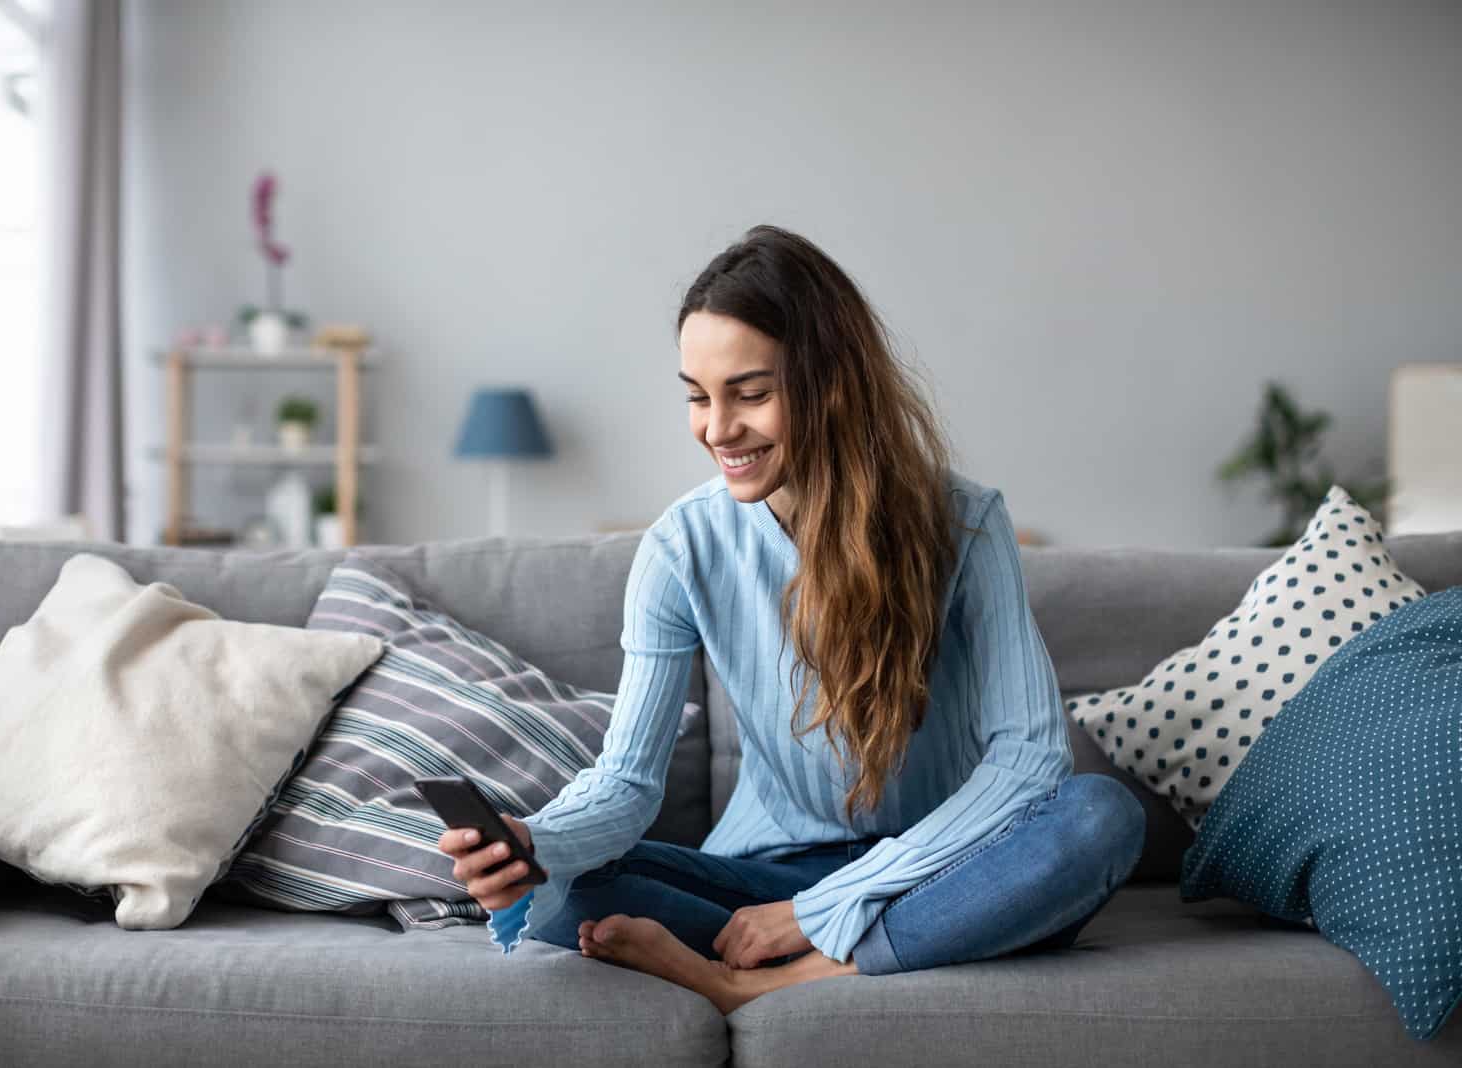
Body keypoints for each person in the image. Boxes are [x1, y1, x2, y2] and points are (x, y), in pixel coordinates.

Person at [439, 224, 1145, 1014]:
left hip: (935, 870)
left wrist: (820, 912)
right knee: (567, 891)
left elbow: (1029, 762)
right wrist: (534, 842)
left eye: (750, 393)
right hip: (765, 880)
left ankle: (769, 979)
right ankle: (897, 946)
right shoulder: (680, 547)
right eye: (698, 397)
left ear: (831, 383)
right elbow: (628, 784)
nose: (717, 429)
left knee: (1099, 818)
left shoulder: (967, 524)